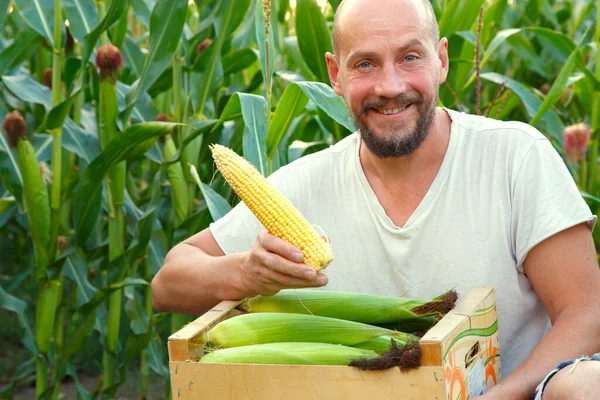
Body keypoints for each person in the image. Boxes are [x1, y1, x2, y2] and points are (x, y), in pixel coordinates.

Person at [151, 0, 600, 398]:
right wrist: (246, 272)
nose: (389, 86)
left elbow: (586, 312)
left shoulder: (514, 157)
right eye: (364, 64)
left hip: (509, 390)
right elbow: (168, 283)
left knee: (586, 384)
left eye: (409, 57)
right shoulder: (305, 184)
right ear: (335, 75)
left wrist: (506, 396)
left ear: (441, 60)